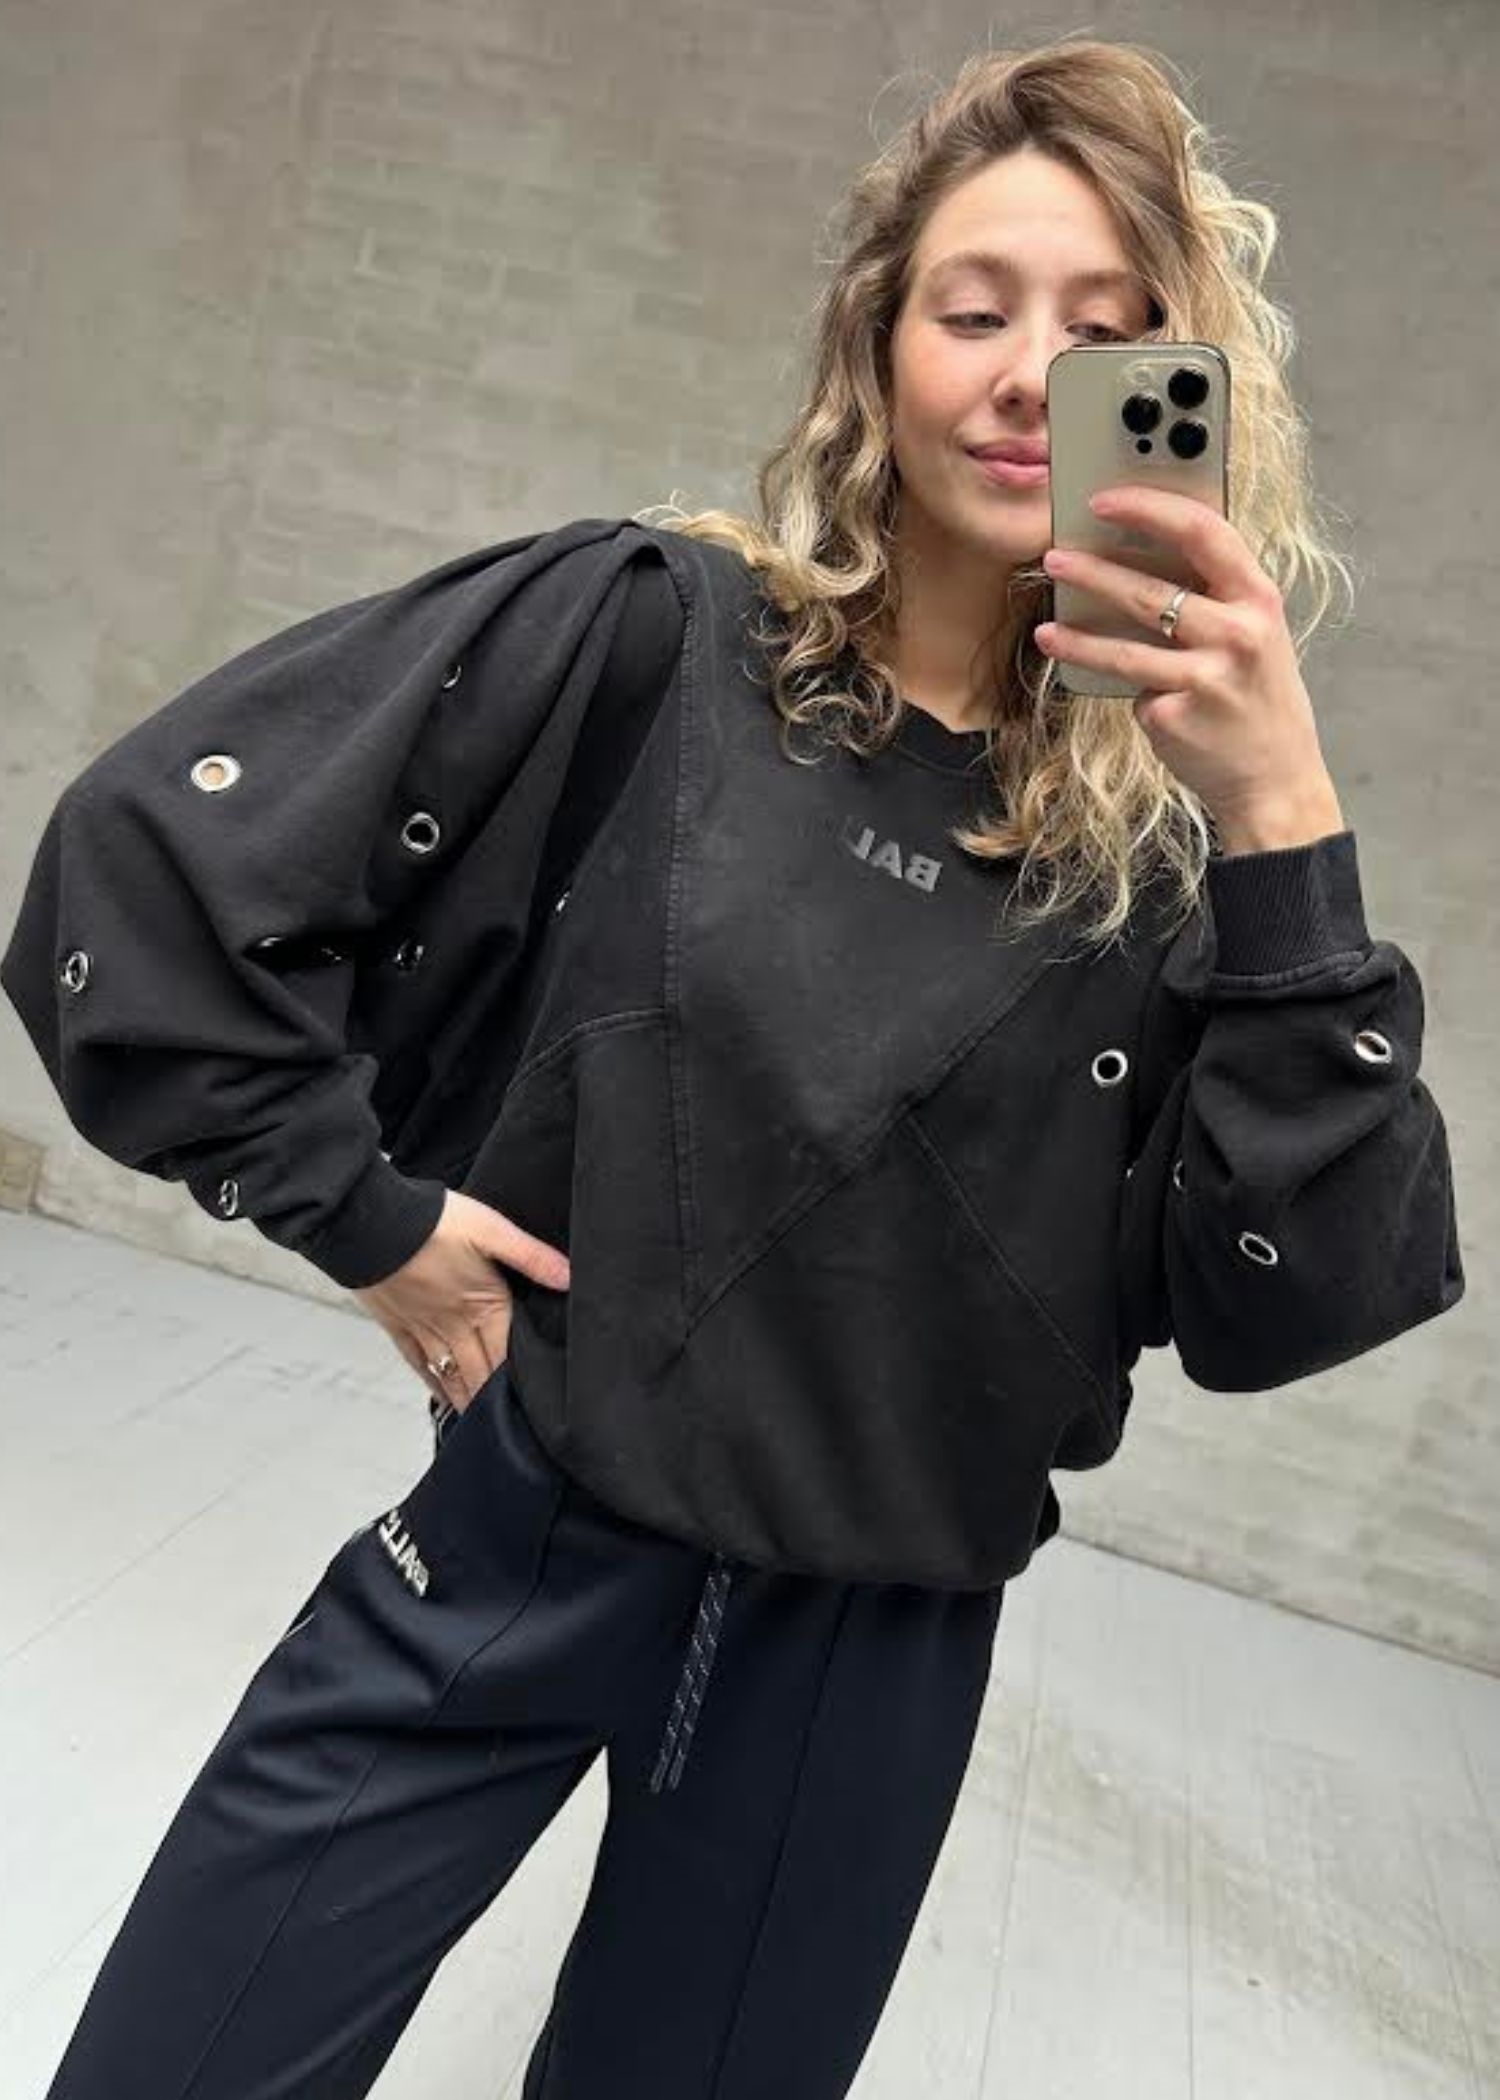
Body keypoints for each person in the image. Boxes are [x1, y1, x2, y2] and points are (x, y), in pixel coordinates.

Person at [1, 35, 1464, 2100]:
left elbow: (1301, 1300)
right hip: (519, 1539)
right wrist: (366, 1214)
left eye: (1110, 332)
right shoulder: (647, 637)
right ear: (877, 350)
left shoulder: (1183, 869)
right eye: (974, 311)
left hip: (868, 1661)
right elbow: (140, 867)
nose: (1031, 376)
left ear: (1185, 390)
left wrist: (1283, 815)